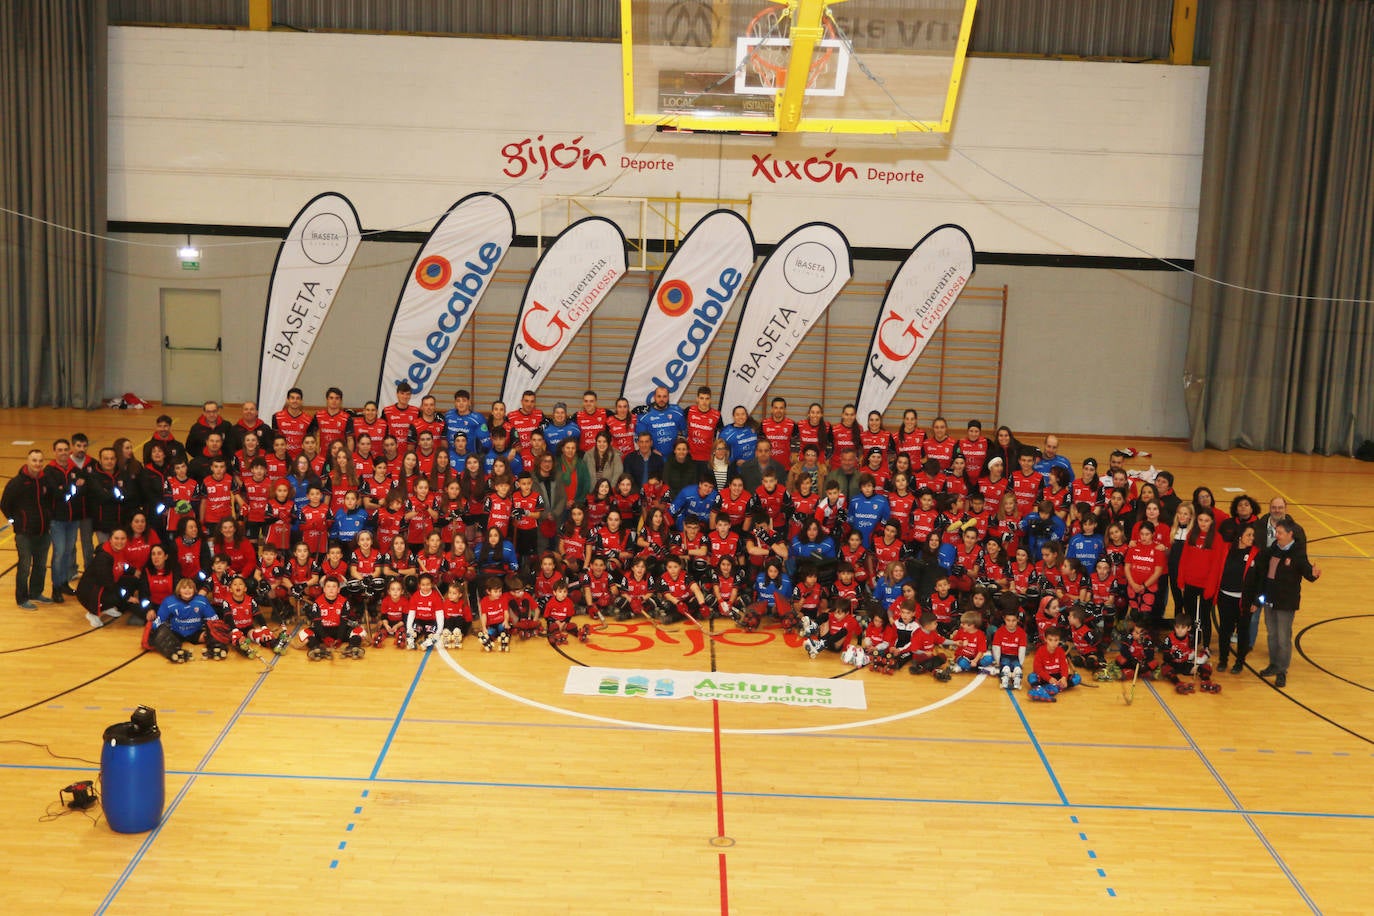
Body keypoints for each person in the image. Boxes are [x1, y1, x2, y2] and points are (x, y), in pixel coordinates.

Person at [1252, 519, 1320, 688]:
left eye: (1280, 532)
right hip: (1269, 599)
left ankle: (1282, 670)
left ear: (1290, 534)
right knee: (1272, 634)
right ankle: (1273, 664)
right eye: (1276, 532)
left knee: (1283, 638)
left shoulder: (1297, 553)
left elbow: (1307, 572)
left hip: (1286, 603)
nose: (1277, 535)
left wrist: (1314, 574)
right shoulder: (1273, 549)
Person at [3, 448, 56, 608]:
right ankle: (22, 599)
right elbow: (5, 504)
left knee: (40, 565)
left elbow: (50, 500)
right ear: (28, 461)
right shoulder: (17, 483)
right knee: (25, 566)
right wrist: (18, 520)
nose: (37, 464)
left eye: (40, 461)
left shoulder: (45, 480)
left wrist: (48, 516)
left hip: (43, 531)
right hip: (24, 533)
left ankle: (36, 592)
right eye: (34, 460)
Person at [152, 577, 223, 662]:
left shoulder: (201, 601)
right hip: (176, 633)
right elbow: (159, 620)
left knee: (214, 629)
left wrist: (216, 633)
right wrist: (156, 632)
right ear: (179, 590)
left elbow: (214, 619)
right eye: (184, 588)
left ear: (194, 590)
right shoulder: (169, 601)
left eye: (190, 588)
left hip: (196, 633)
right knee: (161, 631)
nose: (187, 590)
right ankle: (175, 653)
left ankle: (217, 650)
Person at [1027, 628, 1080, 702]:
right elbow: (1037, 669)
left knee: (1077, 678)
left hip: (1057, 678)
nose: (1053, 643)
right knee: (1031, 676)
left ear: (1059, 640)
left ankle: (1042, 690)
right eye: (1050, 640)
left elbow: (1064, 666)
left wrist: (1064, 678)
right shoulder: (1040, 651)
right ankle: (1049, 689)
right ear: (1045, 639)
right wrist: (1049, 678)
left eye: (1056, 640)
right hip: (1045, 677)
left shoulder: (1060, 651)